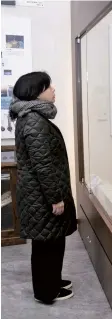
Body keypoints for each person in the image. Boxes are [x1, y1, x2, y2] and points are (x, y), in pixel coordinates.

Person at [9, 72, 77, 304]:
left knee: (48, 243)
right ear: (36, 92)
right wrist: (56, 199)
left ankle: (51, 281)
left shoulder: (30, 116)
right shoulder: (34, 121)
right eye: (48, 86)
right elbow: (43, 166)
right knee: (48, 246)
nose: (53, 89)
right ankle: (48, 292)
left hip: (39, 195)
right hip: (42, 197)